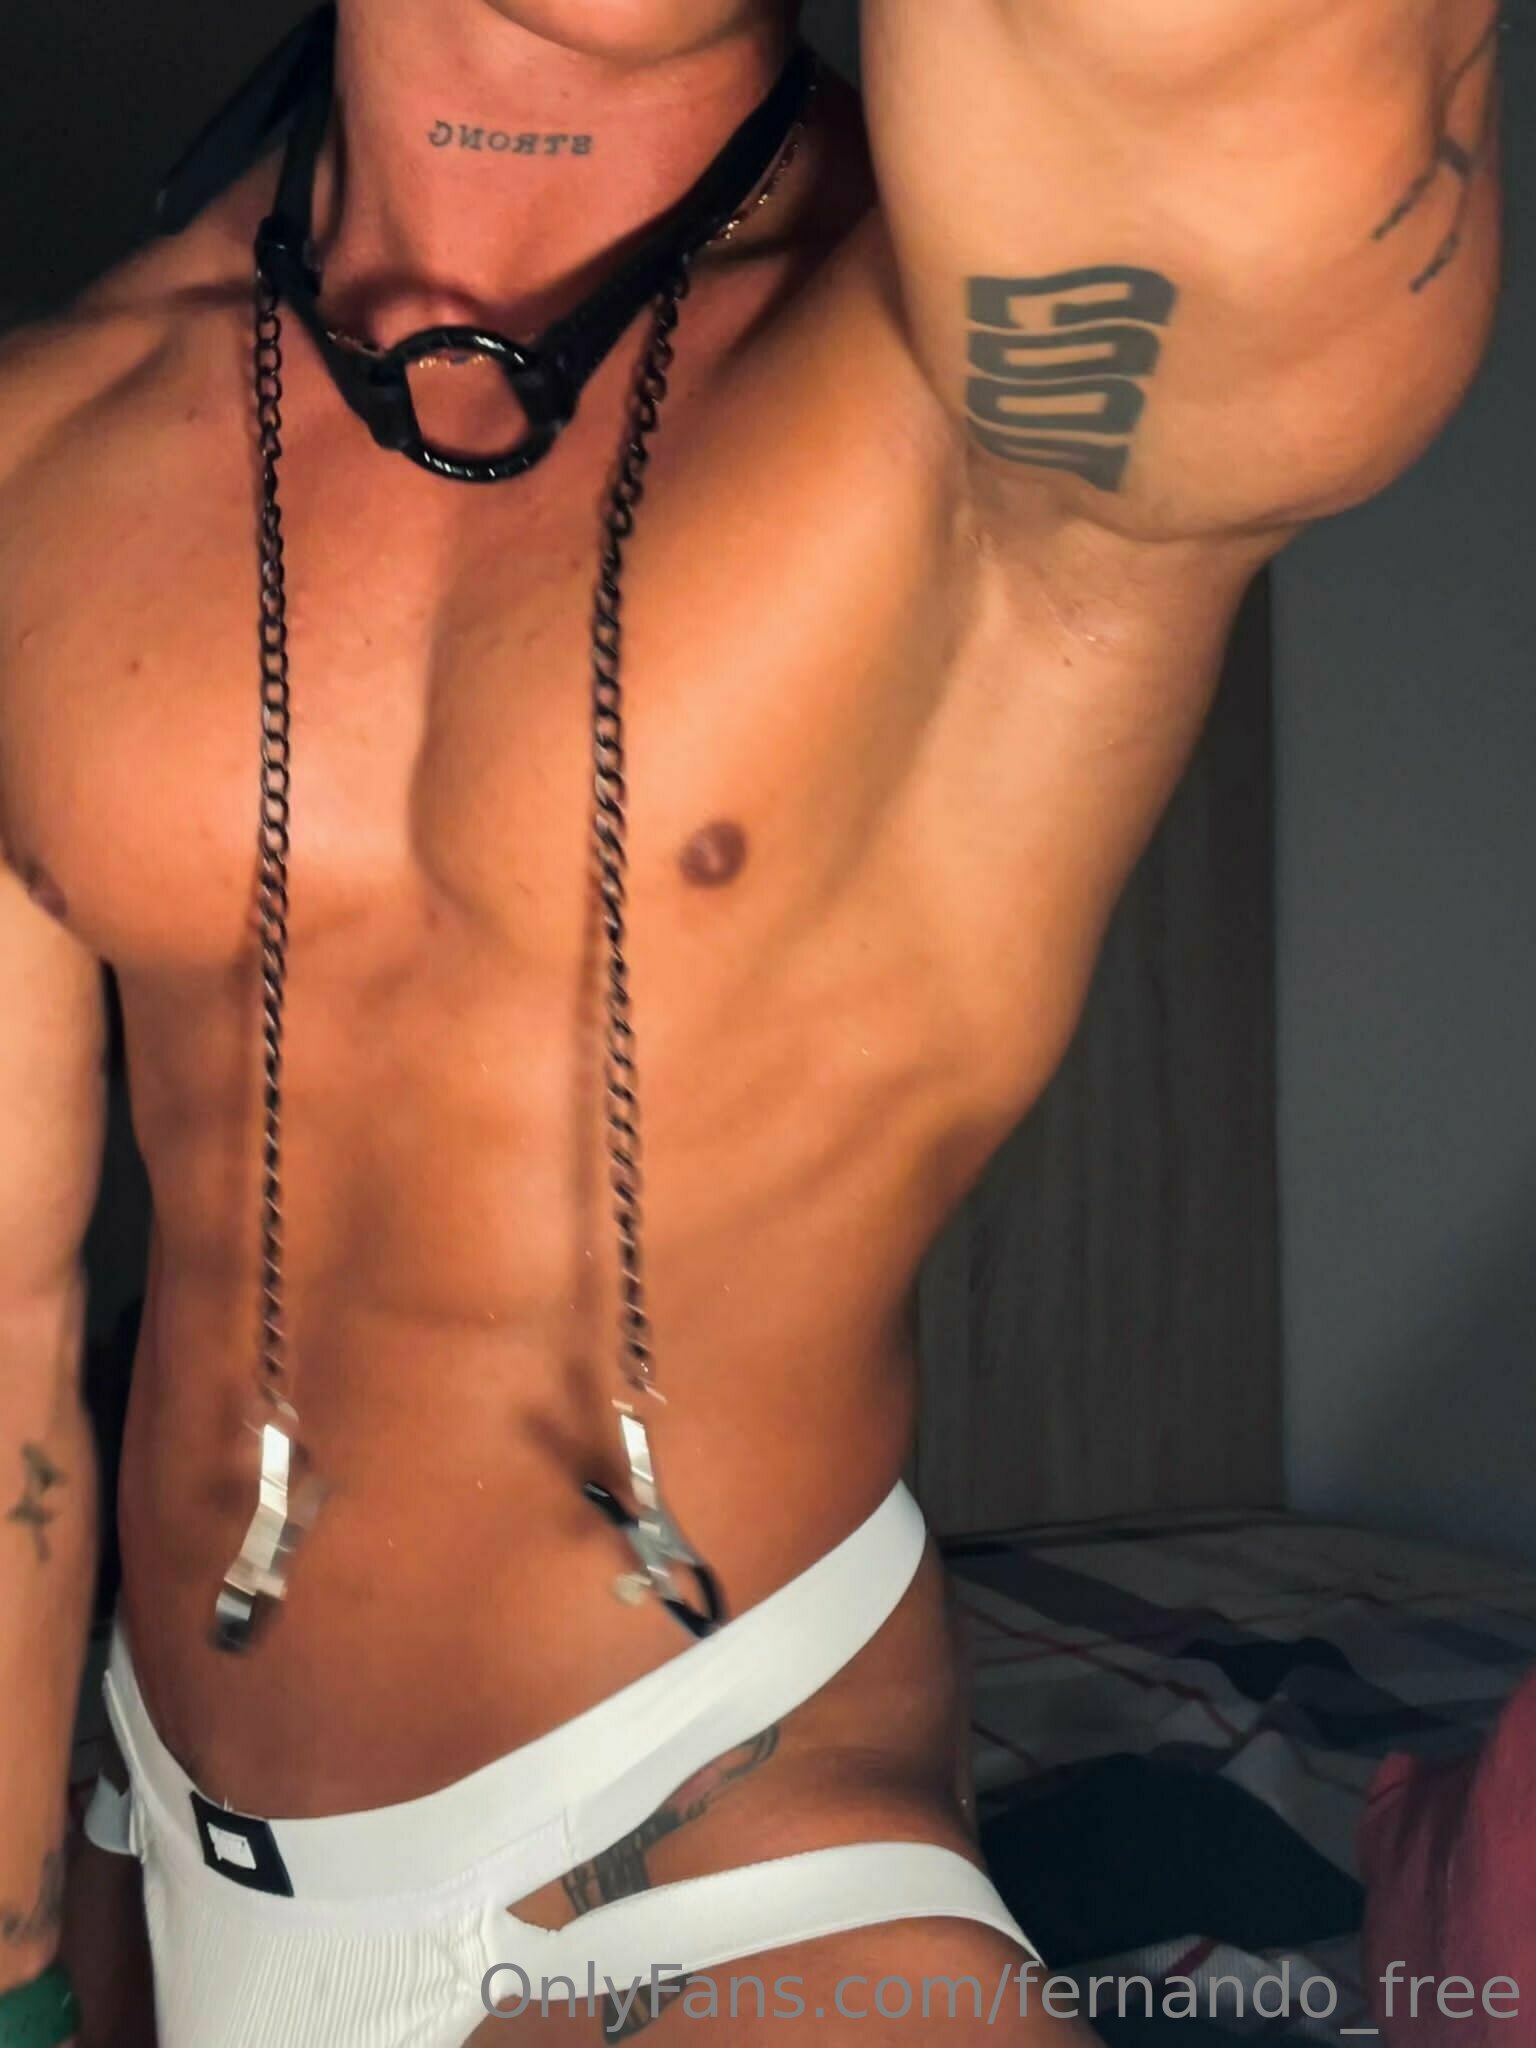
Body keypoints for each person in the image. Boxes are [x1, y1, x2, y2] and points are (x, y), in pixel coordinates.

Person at [0, 0, 1502, 2042]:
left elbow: (1232, 94)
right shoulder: (54, 440)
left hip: (705, 1856)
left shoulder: (986, 378)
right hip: (144, 1831)